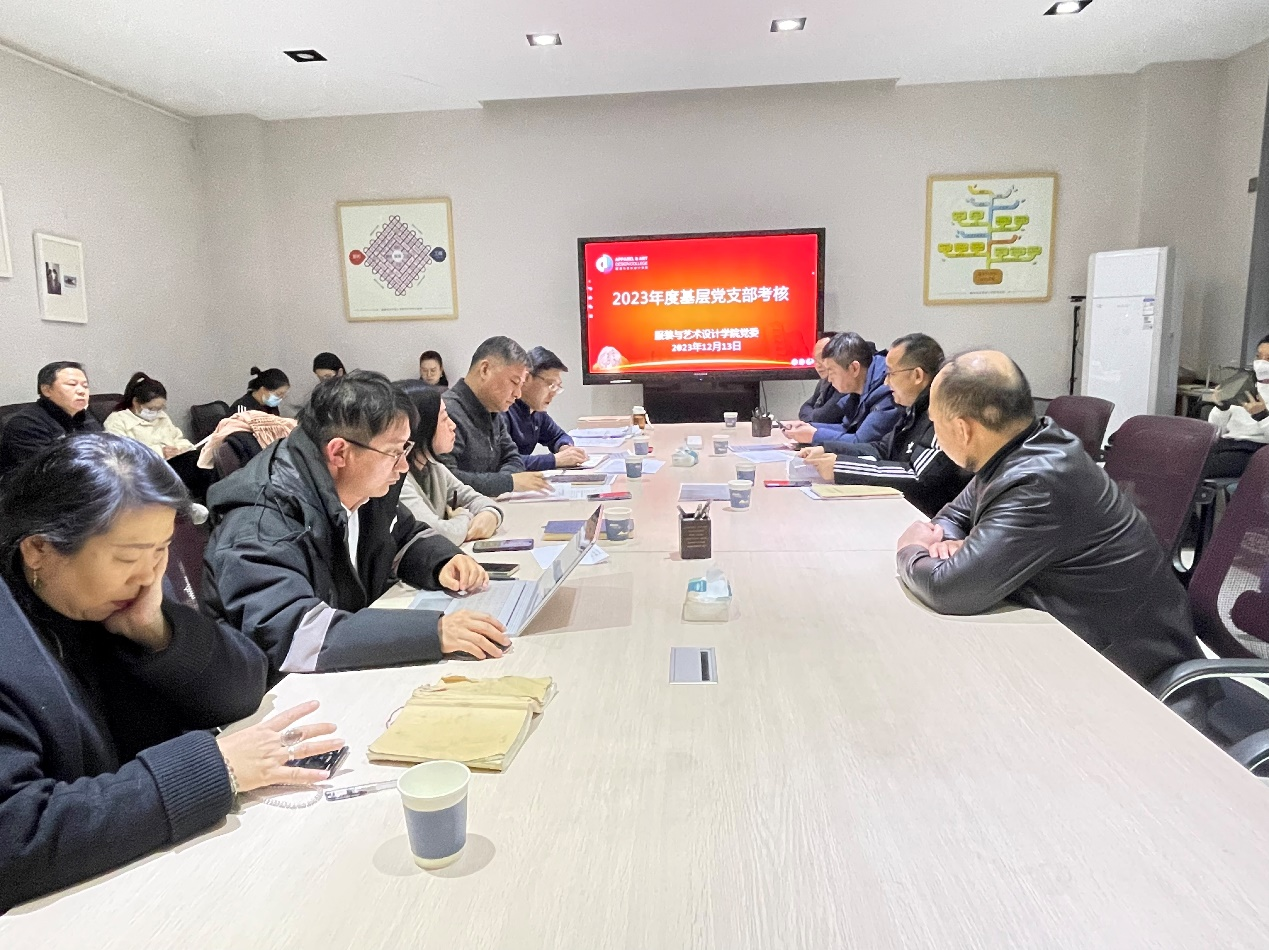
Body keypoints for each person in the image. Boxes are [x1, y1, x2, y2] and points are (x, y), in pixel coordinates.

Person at [0, 434, 342, 912]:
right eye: (127, 557)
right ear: (38, 549)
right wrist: (214, 769)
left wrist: (158, 633)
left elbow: (246, 687)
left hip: (145, 875)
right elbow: (16, 834)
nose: (147, 577)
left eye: (160, 551)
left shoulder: (110, 604)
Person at [894, 350, 1201, 686]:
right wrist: (956, 546)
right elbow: (954, 515)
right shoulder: (1021, 446)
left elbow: (948, 588)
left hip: (1129, 677)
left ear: (962, 429)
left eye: (935, 423)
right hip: (1075, 643)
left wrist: (912, 548)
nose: (935, 434)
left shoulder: (1039, 480)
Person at [203, 370, 510, 684]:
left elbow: (401, 533)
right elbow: (295, 633)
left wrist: (442, 561)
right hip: (275, 691)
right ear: (339, 452)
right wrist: (434, 632)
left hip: (337, 673)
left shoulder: (357, 483)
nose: (403, 465)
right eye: (395, 452)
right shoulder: (260, 519)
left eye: (405, 450)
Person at [801, 334, 970, 516]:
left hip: (928, 519)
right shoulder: (913, 409)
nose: (886, 381)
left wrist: (841, 468)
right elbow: (882, 449)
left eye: (890, 373)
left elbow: (918, 477)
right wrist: (827, 449)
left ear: (917, 376)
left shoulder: (942, 414)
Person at [437, 337, 551, 496]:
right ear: (485, 370)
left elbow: (513, 458)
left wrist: (504, 482)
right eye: (514, 382)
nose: (518, 394)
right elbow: (446, 480)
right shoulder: (446, 414)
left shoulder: (493, 411)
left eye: (521, 386)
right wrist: (507, 483)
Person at [399, 383, 505, 545]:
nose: (452, 425)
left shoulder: (434, 467)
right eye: (444, 418)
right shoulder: (398, 480)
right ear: (423, 427)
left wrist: (491, 514)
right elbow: (437, 535)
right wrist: (464, 515)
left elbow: (475, 499)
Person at [782, 333, 902, 448]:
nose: (829, 379)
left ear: (854, 368)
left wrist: (814, 435)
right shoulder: (861, 386)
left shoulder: (887, 392)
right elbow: (847, 428)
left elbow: (861, 442)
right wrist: (808, 427)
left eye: (832, 371)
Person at [104, 372, 212, 497]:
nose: (156, 412)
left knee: (204, 459)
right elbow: (121, 455)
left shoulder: (161, 417)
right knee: (197, 464)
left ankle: (209, 501)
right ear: (136, 402)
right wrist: (161, 452)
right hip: (147, 472)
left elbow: (177, 437)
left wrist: (181, 449)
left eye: (160, 408)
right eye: (151, 409)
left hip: (174, 464)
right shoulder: (117, 421)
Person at [0, 361, 102, 475]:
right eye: (72, 384)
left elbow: (105, 450)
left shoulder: (84, 416)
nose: (82, 391)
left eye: (85, 386)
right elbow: (48, 471)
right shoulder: (26, 423)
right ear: (47, 390)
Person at [506, 346, 588, 471]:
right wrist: (555, 460)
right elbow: (503, 462)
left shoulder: (536, 412)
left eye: (557, 386)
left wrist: (566, 448)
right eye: (551, 384)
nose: (553, 393)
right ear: (526, 379)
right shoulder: (503, 410)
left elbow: (558, 436)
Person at [1204, 334, 1269, 478]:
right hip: (1226, 445)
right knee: (1177, 458)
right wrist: (1222, 408)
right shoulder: (1245, 384)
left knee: (1193, 470)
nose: (1261, 363)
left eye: (1268, 359)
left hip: (1255, 451)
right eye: (1258, 357)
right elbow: (1215, 431)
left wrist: (1262, 416)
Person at [798, 333, 846, 424]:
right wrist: (813, 417)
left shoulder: (845, 381)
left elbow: (823, 417)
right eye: (814, 359)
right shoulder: (824, 380)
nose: (817, 365)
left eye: (822, 358)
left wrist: (812, 417)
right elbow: (805, 407)